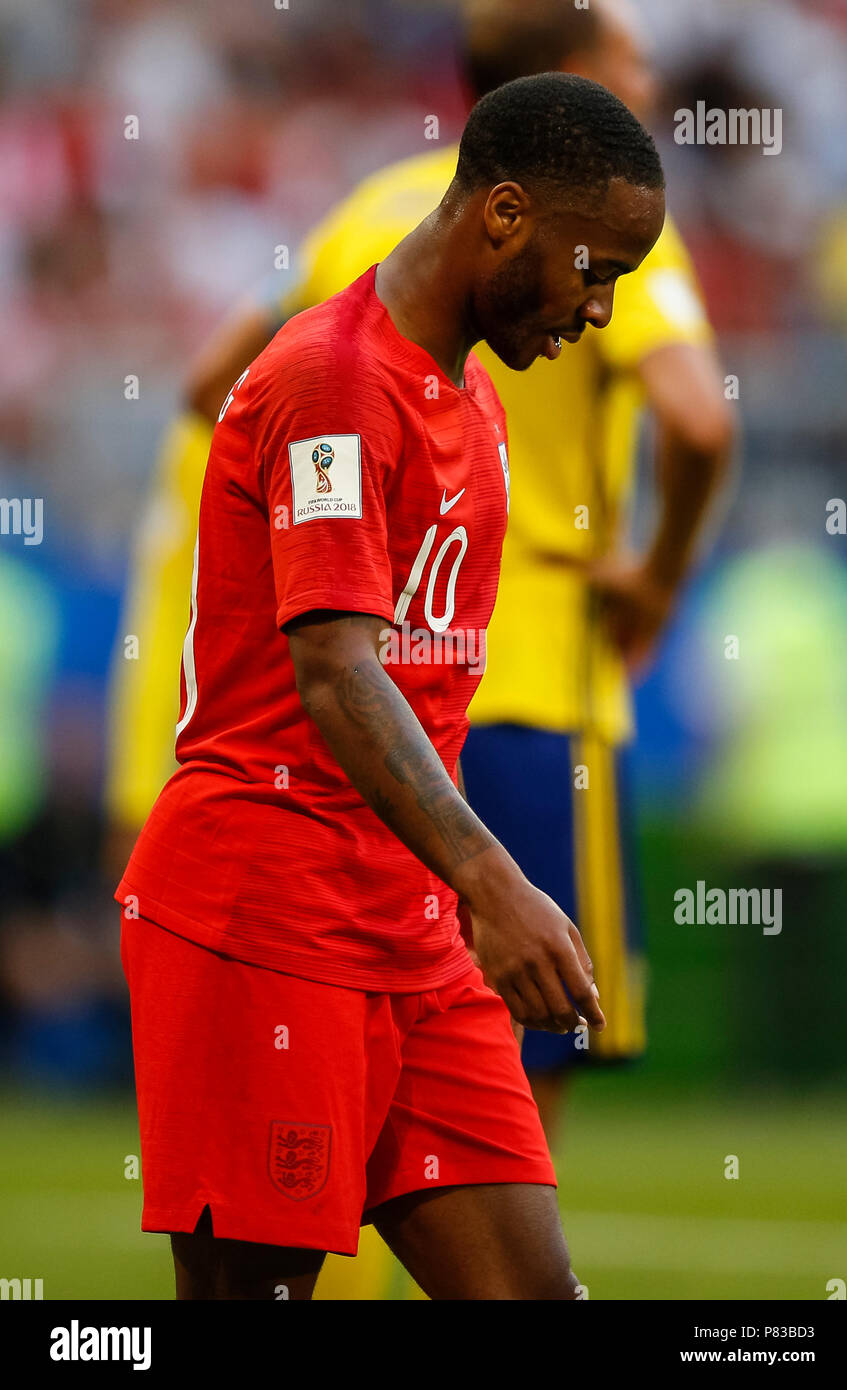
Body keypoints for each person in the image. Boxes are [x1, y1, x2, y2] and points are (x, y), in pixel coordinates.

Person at [117, 72, 665, 1300]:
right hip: (264, 916)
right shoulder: (330, 380)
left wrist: (457, 895)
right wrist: (495, 882)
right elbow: (335, 672)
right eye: (596, 267)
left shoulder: (472, 397)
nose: (600, 306)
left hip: (412, 934)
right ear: (506, 215)